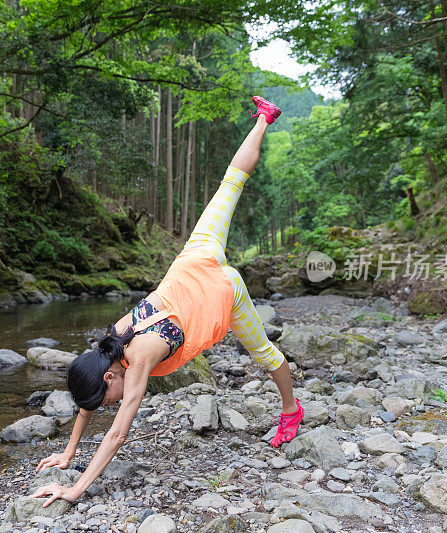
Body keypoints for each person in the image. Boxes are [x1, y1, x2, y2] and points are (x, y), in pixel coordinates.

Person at [31, 96, 303, 507]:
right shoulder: (109, 344)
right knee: (230, 184)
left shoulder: (138, 357)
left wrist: (73, 490)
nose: (108, 405)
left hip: (222, 290)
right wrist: (68, 453)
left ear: (111, 377)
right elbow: (89, 398)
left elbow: (118, 433)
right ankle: (265, 118)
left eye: (108, 399)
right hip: (196, 256)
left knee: (264, 351)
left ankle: (291, 412)